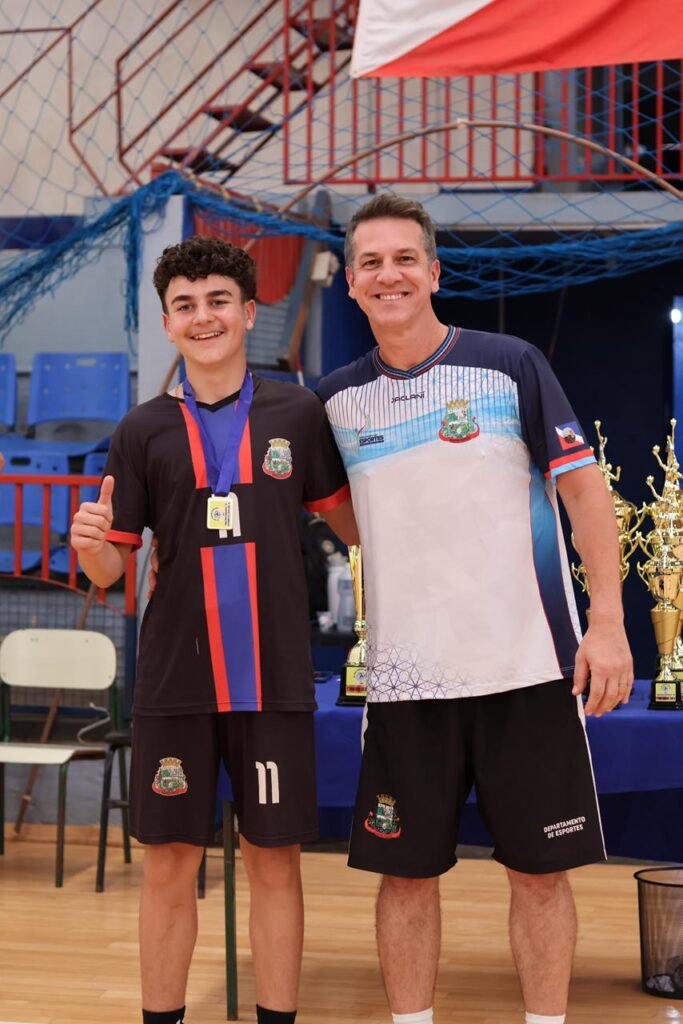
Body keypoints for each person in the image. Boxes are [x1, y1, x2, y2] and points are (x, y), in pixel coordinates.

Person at [316, 194, 633, 1024]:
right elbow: (344, 516)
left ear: (433, 272)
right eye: (371, 262)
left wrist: (606, 620)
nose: (388, 274)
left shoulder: (508, 364)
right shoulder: (334, 401)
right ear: (350, 283)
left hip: (524, 669)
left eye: (404, 259)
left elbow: (583, 491)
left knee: (539, 875)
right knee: (403, 878)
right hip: (404, 683)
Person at [70, 236, 357, 1024]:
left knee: (274, 862)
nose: (203, 317)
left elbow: (353, 529)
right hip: (175, 680)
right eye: (185, 305)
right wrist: (89, 546)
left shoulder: (297, 412)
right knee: (168, 866)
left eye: (218, 301)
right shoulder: (142, 430)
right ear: (167, 323)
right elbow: (109, 571)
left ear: (249, 312)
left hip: (273, 675)